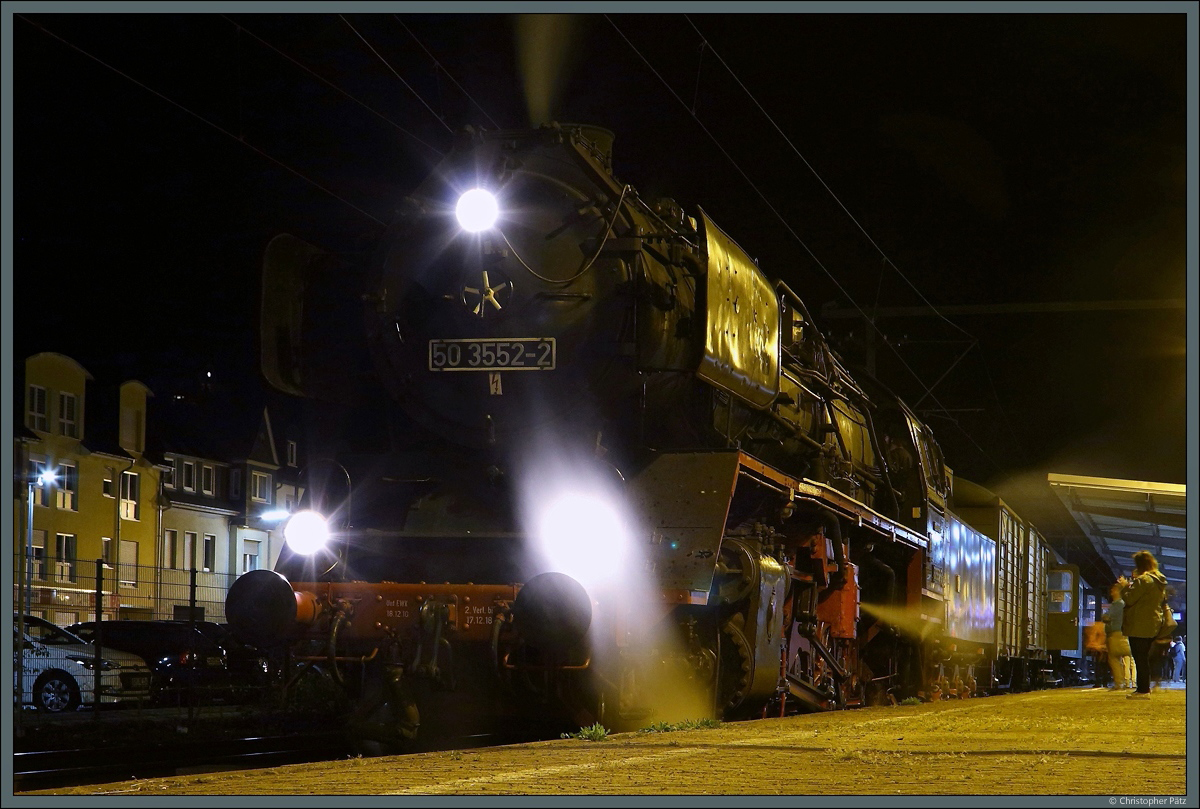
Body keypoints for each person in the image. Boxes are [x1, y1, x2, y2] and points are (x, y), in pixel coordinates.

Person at [1119, 550, 1168, 699]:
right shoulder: (1159, 580)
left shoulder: (1144, 580)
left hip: (1139, 623)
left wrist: (1124, 586)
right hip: (1153, 622)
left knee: (1139, 657)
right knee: (1143, 657)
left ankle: (1143, 690)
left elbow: (1129, 599)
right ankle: (1144, 688)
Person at [1102, 582, 1134, 690]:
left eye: (1113, 590)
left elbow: (1107, 617)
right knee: (1127, 657)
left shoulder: (1117, 604)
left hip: (1116, 634)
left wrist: (1104, 617)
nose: (1111, 592)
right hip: (1123, 633)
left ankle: (1119, 683)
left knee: (1114, 658)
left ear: (1118, 591)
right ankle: (1126, 682)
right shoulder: (1123, 604)